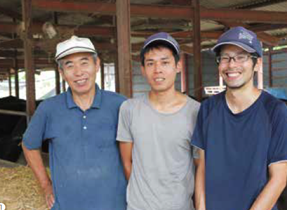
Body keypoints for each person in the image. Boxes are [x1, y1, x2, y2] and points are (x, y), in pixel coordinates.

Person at [22, 36, 127, 210]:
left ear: (97, 65)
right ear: (62, 73)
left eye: (84, 63)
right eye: (69, 65)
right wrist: (46, 185)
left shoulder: (121, 105)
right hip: (66, 205)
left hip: (114, 204)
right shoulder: (48, 109)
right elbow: (29, 145)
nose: (78, 72)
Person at [191, 26, 287, 210]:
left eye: (241, 57)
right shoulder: (208, 109)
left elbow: (279, 177)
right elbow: (202, 168)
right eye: (225, 58)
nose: (231, 64)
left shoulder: (275, 111)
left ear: (257, 63)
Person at [116, 32, 202, 210]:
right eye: (150, 63)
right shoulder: (129, 109)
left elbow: (200, 165)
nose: (157, 70)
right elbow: (127, 162)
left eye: (165, 62)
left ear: (178, 66)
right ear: (142, 69)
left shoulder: (196, 111)